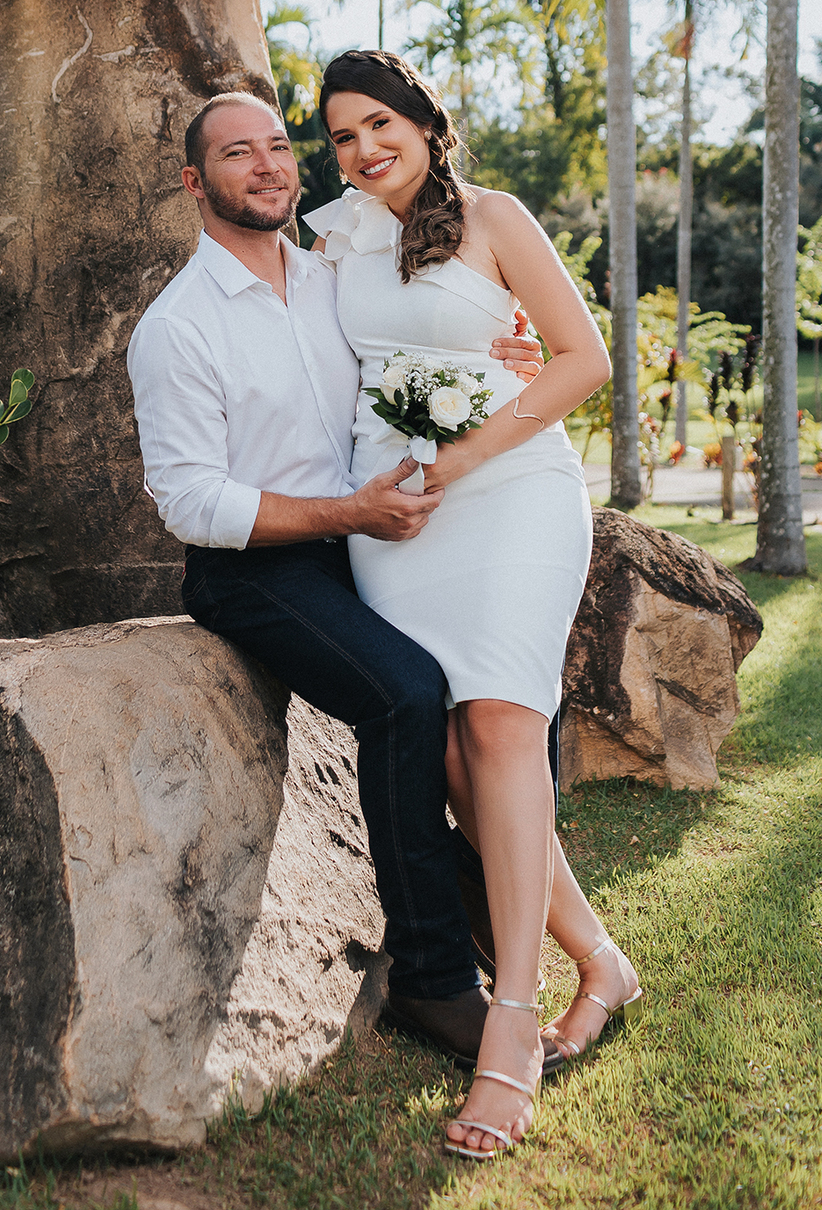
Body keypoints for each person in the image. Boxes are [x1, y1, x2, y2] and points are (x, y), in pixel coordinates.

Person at [126, 88, 553, 1073]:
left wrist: (501, 354)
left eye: (279, 147)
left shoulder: (333, 276)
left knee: (503, 679)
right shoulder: (178, 327)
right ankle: (433, 977)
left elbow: (413, 360)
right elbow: (190, 503)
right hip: (257, 568)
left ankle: (487, 896)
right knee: (406, 696)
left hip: (371, 541)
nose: (270, 165)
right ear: (197, 183)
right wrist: (346, 517)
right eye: (240, 154)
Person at [306, 49, 642, 1163]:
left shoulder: (496, 217)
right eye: (343, 136)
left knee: (503, 724)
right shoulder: (332, 237)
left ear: (423, 123)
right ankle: (602, 958)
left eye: (377, 125)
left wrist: (459, 453)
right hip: (397, 522)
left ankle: (513, 1021)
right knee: (455, 758)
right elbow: (319, 364)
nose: (362, 150)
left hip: (508, 493)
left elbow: (582, 360)